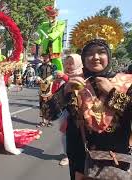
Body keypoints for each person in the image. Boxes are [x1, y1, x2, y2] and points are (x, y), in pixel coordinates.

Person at [47, 16, 132, 180]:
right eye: (90, 54)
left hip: (114, 158)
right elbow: (48, 113)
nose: (96, 57)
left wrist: (112, 93)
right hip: (80, 157)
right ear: (84, 58)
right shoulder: (75, 83)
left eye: (101, 52)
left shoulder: (126, 82)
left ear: (109, 55)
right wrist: (65, 92)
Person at [35, 6, 66, 72]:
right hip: (45, 48)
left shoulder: (61, 23)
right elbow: (38, 34)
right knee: (45, 65)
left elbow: (58, 32)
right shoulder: (44, 24)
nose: (51, 18)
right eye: (49, 16)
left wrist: (49, 36)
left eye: (53, 16)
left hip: (55, 49)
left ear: (56, 15)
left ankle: (60, 79)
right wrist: (36, 38)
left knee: (57, 64)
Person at [36, 54, 57, 128]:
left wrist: (48, 79)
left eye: (46, 57)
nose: (45, 58)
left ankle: (50, 120)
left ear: (50, 57)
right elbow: (37, 74)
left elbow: (55, 74)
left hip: (50, 86)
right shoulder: (40, 66)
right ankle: (43, 121)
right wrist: (39, 79)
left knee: (50, 104)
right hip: (42, 87)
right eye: (44, 57)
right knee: (42, 104)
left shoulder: (53, 66)